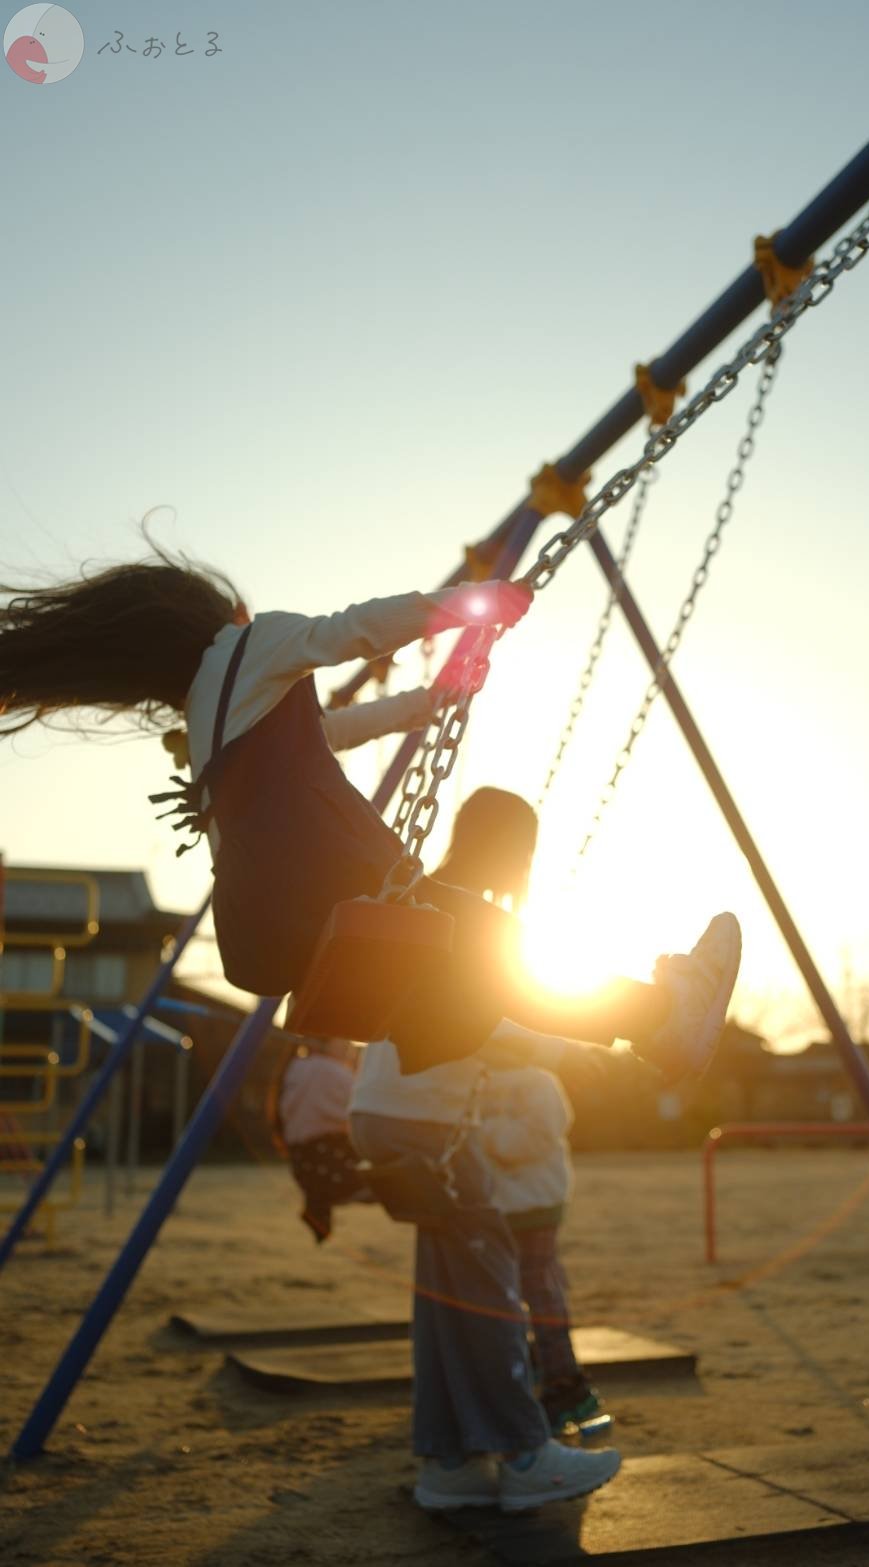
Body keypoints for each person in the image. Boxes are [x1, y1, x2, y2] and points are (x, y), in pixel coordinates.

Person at [0, 540, 742, 1082]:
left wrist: (433, 700)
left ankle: (577, 1022)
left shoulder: (208, 721)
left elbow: (335, 734)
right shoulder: (247, 643)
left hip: (265, 934)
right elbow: (348, 628)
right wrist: (467, 606)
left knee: (475, 961)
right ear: (218, 612)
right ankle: (660, 1019)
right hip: (333, 885)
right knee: (493, 945)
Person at [349, 787, 739, 1512]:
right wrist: (582, 1044)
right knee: (491, 1287)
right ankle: (525, 1454)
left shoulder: (426, 898)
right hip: (424, 1122)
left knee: (446, 1295)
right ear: (515, 850)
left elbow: (474, 1025)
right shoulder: (466, 915)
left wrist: (562, 1052)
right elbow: (500, 1017)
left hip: (381, 1111)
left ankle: (451, 1463)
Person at [478, 1058, 605, 1437]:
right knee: (512, 1294)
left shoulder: (537, 1082)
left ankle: (564, 1382)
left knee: (539, 1291)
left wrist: (488, 1133)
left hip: (533, 1205)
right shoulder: (485, 1078)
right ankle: (535, 1371)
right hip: (500, 1205)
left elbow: (530, 1139)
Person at [268, 1038, 372, 1243]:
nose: (349, 1047)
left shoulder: (294, 1068)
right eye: (344, 1042)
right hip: (333, 1166)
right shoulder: (334, 1072)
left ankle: (317, 1207)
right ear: (326, 1043)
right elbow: (364, 1108)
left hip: (303, 1167)